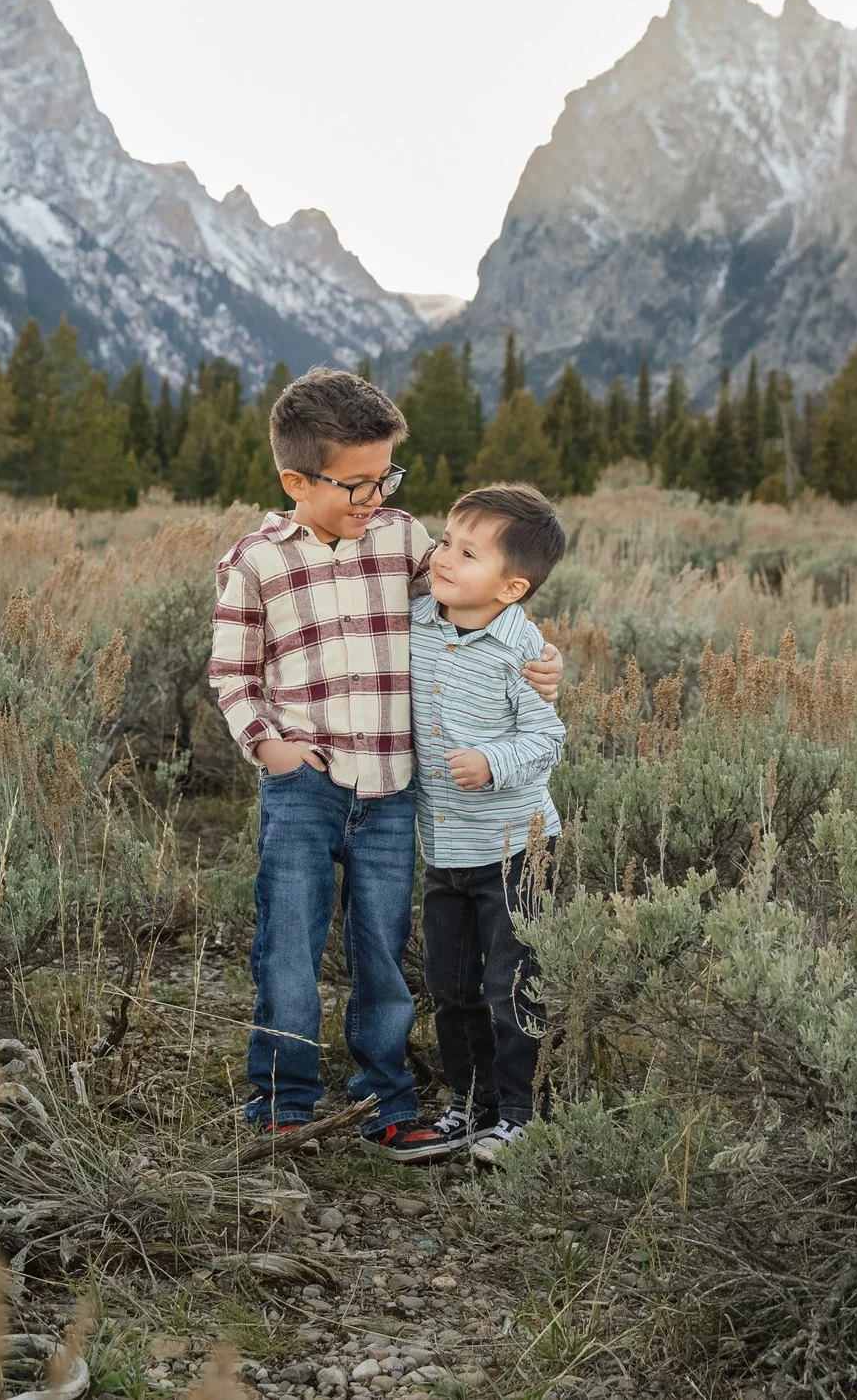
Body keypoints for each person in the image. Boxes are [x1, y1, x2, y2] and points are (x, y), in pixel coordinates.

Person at [209, 368, 560, 1161]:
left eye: (386, 479)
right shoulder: (255, 563)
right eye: (358, 484)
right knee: (289, 945)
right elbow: (232, 675)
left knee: (381, 951)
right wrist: (268, 744)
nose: (376, 498)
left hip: (392, 789)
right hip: (304, 787)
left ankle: (385, 1098)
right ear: (296, 479)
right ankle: (281, 1102)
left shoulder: (403, 540)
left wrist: (535, 655)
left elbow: (476, 591)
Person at [411, 482, 567, 1168]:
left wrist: (491, 760)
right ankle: (467, 1105)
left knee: (511, 985)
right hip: (444, 846)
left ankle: (519, 1114)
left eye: (466, 553)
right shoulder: (418, 621)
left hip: (514, 849)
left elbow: (547, 738)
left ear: (511, 587)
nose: (443, 557)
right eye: (445, 540)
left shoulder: (521, 650)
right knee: (450, 986)